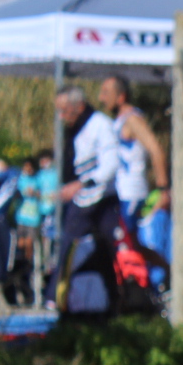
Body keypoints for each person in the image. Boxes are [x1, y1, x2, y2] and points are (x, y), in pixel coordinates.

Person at [51, 84, 127, 312]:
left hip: (102, 199)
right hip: (83, 200)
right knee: (69, 248)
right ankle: (57, 299)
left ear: (79, 106)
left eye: (65, 110)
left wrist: (81, 184)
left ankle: (121, 299)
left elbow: (111, 165)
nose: (61, 117)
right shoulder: (75, 130)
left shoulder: (100, 125)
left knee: (113, 250)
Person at [98, 76, 167, 222]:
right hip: (119, 193)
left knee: (129, 236)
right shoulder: (118, 120)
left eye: (106, 93)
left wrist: (162, 189)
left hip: (132, 194)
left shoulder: (132, 120)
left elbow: (156, 150)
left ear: (121, 97)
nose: (101, 98)